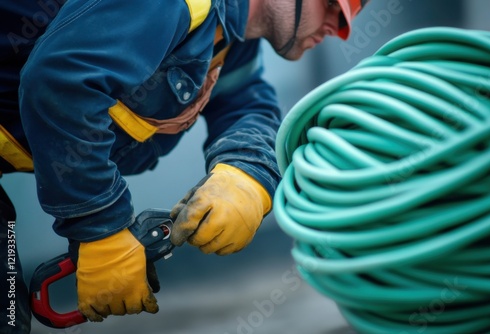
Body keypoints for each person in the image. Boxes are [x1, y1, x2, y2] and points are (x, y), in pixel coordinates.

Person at [0, 0, 367, 332]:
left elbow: (248, 104)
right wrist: (100, 230)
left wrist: (245, 177)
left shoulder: (231, 35)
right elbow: (61, 81)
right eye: (333, 7)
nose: (338, 29)